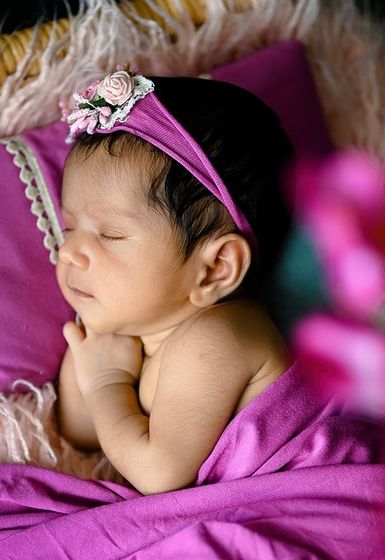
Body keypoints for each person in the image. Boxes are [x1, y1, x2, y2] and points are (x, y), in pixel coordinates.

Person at [55, 66, 294, 495]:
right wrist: (89, 365)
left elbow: (156, 472)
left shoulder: (219, 336)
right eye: (70, 229)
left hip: (307, 490)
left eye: (109, 235)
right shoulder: (135, 329)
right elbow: (83, 437)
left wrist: (106, 384)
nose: (68, 252)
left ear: (216, 267)